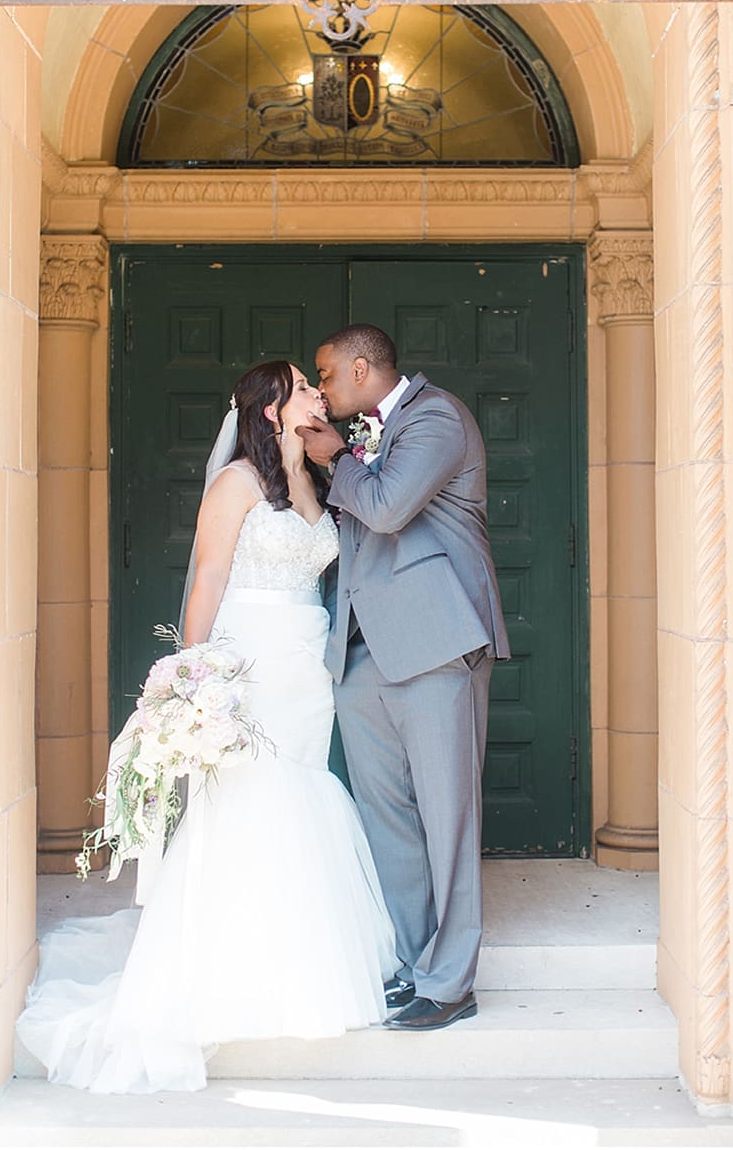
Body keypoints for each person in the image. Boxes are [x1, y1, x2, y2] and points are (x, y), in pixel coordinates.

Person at [15, 361, 395, 1094]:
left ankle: (297, 966)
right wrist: (193, 680)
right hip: (247, 656)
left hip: (304, 665)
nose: (319, 393)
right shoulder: (235, 485)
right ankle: (222, 976)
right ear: (276, 408)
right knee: (246, 801)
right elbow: (208, 579)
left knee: (302, 792)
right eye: (305, 387)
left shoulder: (310, 483)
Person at [296, 323, 509, 1031]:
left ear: (362, 368)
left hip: (437, 644)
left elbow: (386, 506)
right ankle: (420, 968)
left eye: (327, 376)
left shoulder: (436, 418)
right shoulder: (359, 442)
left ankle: (453, 982)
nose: (323, 391)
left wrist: (335, 458)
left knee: (450, 817)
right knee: (389, 823)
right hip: (361, 655)